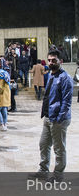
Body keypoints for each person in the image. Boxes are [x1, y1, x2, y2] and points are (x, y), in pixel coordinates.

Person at [32, 49, 73, 182]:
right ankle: (43, 170)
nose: (50, 62)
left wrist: (59, 118)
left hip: (58, 119)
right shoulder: (50, 75)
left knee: (59, 148)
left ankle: (58, 176)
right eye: (49, 60)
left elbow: (66, 102)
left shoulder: (65, 78)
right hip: (48, 117)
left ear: (60, 61)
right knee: (43, 144)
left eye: (53, 60)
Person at [0, 59, 11, 131]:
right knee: (4, 110)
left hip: (1, 94)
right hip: (6, 93)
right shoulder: (6, 72)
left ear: (0, 64)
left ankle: (1, 124)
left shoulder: (0, 73)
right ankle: (5, 123)